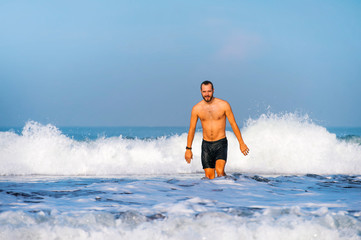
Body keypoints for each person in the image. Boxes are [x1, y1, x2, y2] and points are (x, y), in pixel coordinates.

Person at [184, 81, 249, 179]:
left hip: (220, 143)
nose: (207, 94)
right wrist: (188, 149)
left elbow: (233, 124)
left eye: (209, 91)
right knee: (209, 178)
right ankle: (217, 193)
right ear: (201, 92)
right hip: (206, 145)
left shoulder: (224, 105)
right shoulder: (196, 109)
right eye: (204, 92)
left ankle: (230, 185)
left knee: (219, 172)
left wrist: (241, 143)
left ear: (213, 91)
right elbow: (192, 129)